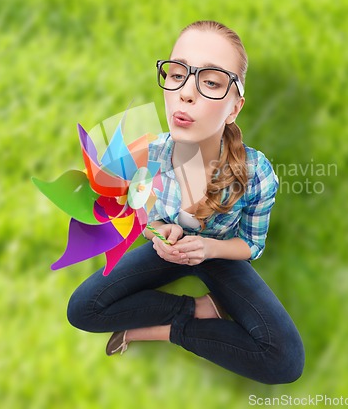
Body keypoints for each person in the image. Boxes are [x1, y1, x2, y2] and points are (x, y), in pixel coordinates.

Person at [67, 20, 305, 384]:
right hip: (166, 251)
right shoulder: (144, 154)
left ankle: (160, 331)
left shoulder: (257, 172)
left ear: (234, 108)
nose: (185, 94)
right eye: (177, 75)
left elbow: (251, 244)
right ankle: (199, 309)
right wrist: (158, 232)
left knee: (285, 360)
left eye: (210, 82)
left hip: (217, 255)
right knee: (82, 309)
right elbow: (131, 210)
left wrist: (208, 248)